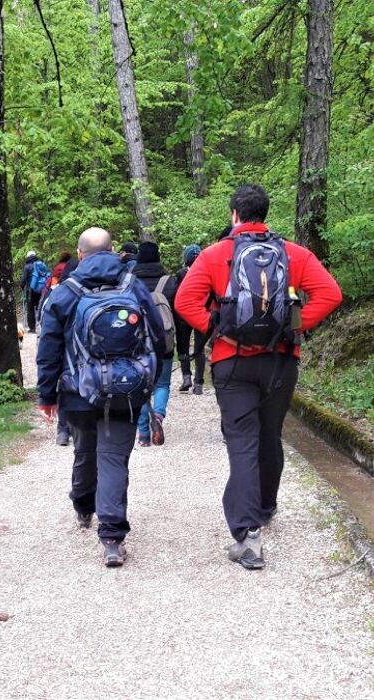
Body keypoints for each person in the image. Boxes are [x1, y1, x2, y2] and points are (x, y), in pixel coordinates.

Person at [175, 184, 342, 570]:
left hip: (232, 362)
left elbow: (185, 301)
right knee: (270, 435)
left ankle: (249, 537)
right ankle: (265, 507)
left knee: (242, 442)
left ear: (234, 214)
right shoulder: (294, 254)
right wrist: (294, 327)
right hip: (280, 361)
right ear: (265, 214)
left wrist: (217, 329)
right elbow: (330, 294)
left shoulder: (215, 254)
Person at [37, 227, 165, 568]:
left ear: (80, 254)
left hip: (78, 391)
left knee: (85, 451)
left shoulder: (65, 292)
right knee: (113, 458)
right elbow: (158, 335)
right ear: (113, 251)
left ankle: (83, 505)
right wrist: (149, 378)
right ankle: (111, 539)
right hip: (126, 389)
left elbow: (48, 347)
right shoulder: (133, 286)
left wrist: (47, 394)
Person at [131, 241, 177, 447]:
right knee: (163, 384)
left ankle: (143, 435)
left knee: (139, 387)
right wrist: (183, 349)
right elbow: (178, 318)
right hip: (164, 343)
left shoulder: (129, 282)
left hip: (136, 344)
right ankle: (158, 416)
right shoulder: (169, 282)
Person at [38, 252, 75, 447]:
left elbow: (44, 322)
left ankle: (63, 430)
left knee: (63, 386)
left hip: (60, 350)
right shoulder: (89, 293)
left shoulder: (56, 294)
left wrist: (46, 395)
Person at [174, 244, 209, 394]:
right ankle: (198, 383)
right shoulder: (206, 272)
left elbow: (175, 295)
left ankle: (186, 377)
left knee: (183, 346)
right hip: (202, 313)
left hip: (183, 315)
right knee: (199, 349)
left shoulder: (181, 274)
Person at [21, 251, 50, 334]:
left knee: (30, 309)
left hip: (30, 291)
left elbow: (23, 279)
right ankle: (42, 326)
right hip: (41, 290)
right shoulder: (41, 264)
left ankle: (32, 328)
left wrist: (22, 286)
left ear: (28, 257)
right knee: (41, 307)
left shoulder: (27, 266)